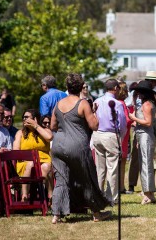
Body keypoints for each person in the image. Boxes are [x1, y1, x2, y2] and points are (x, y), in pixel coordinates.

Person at [50, 73, 111, 223]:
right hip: (77, 145)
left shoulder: (58, 104)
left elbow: (52, 126)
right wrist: (94, 112)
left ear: (67, 87)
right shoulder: (83, 103)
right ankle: (97, 214)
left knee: (61, 179)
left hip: (58, 146)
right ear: (81, 87)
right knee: (88, 178)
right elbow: (94, 125)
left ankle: (56, 215)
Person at [91, 78, 128, 205]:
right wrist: (121, 137)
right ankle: (111, 197)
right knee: (112, 168)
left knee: (100, 168)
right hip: (111, 134)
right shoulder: (116, 103)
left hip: (97, 134)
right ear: (116, 88)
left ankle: (98, 195)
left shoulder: (97, 101)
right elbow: (122, 124)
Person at [127, 80, 156, 205]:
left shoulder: (146, 105)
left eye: (139, 92)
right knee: (145, 164)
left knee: (145, 165)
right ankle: (150, 194)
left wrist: (134, 118)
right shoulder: (148, 103)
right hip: (143, 136)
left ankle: (148, 195)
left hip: (145, 135)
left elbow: (149, 122)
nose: (137, 94)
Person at [12, 109, 53, 202]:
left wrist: (36, 125)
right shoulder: (20, 133)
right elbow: (15, 150)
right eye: (23, 117)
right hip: (25, 162)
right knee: (30, 164)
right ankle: (25, 195)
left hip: (43, 161)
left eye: (27, 117)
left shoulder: (45, 130)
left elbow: (49, 137)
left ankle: (51, 196)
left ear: (35, 119)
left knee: (46, 166)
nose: (24, 119)